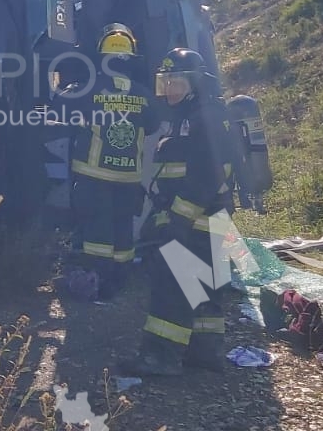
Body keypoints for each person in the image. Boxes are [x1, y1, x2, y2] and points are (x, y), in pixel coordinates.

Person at [126, 47, 246, 376]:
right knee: (204, 286)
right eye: (165, 83)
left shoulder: (203, 116)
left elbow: (209, 173)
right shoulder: (195, 115)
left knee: (172, 284)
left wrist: (178, 216)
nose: (170, 91)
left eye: (177, 82)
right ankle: (204, 353)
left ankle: (159, 356)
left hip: (196, 218)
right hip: (208, 219)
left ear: (196, 83)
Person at [57, 23, 158, 301]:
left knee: (96, 235)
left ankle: (95, 284)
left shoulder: (87, 89)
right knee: (122, 231)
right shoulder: (143, 94)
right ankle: (118, 281)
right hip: (128, 180)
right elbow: (151, 126)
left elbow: (59, 106)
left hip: (93, 177)